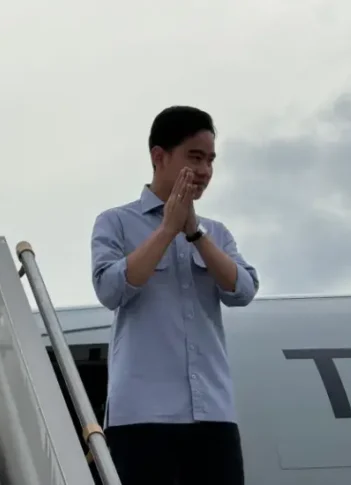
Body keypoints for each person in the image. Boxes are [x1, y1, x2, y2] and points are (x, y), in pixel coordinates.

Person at [90, 105, 259, 485]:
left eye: (211, 160)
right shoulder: (115, 222)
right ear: (159, 156)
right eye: (195, 157)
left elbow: (243, 290)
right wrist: (167, 229)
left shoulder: (216, 232)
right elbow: (109, 290)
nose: (205, 171)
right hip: (141, 415)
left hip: (213, 412)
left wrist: (195, 233)